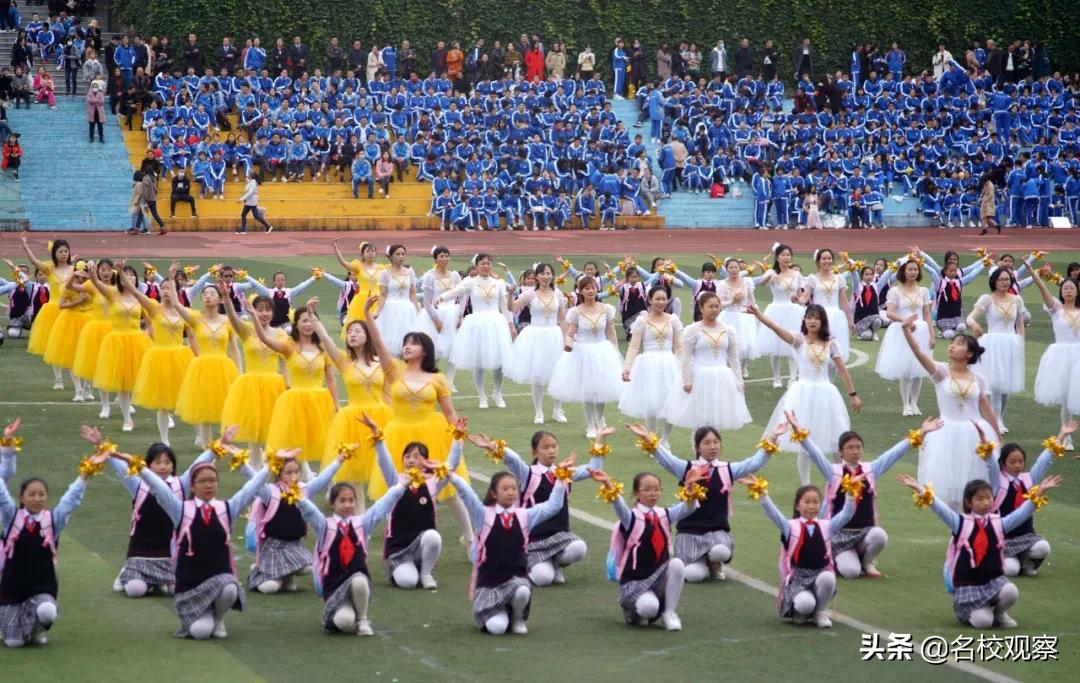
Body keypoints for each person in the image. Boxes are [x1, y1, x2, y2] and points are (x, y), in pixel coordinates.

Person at [117, 446, 279, 639]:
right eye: (202, 481)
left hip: (218, 580)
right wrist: (129, 461)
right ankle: (199, 614)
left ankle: (219, 618)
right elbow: (157, 487)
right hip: (190, 587)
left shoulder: (226, 508)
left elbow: (250, 489)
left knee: (229, 588)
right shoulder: (180, 510)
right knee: (200, 632)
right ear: (192, 486)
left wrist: (271, 466)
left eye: (212, 481)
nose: (208, 485)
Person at [897, 472, 1058, 629]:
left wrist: (1040, 492)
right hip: (969, 585)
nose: (986, 502)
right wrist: (920, 489)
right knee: (983, 623)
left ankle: (999, 614)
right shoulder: (960, 522)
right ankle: (969, 611)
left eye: (988, 497)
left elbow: (1020, 514)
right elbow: (941, 510)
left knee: (1011, 591)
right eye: (979, 499)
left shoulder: (998, 523)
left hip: (992, 581)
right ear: (968, 502)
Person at [632, 422, 785, 583]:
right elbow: (665, 459)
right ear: (698, 447)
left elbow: (754, 463)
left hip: (717, 532)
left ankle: (714, 562)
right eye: (706, 443)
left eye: (715, 442)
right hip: (689, 532)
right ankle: (702, 564)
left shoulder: (727, 469)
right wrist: (646, 437)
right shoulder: (686, 468)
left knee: (720, 552)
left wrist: (773, 437)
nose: (712, 447)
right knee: (693, 576)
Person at [796, 416, 942, 578]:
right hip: (839, 535)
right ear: (841, 452)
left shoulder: (870, 470)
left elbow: (892, 454)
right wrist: (801, 436)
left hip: (865, 532)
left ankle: (867, 560)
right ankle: (837, 557)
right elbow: (816, 455)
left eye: (858, 447)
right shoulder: (833, 472)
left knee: (880, 536)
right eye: (850, 448)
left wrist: (921, 432)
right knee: (851, 572)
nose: (855, 451)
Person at [81, 428, 217, 598]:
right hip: (140, 553)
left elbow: (198, 465)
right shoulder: (138, 484)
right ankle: (127, 574)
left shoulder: (180, 485)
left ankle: (159, 583)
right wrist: (100, 444)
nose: (163, 467)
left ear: (173, 465)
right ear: (148, 464)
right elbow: (120, 465)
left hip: (169, 557)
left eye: (167, 463)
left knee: (178, 590)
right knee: (135, 590)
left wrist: (218, 447)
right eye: (157, 462)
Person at [0, 437, 103, 647]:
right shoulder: (12, 517)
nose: (36, 499)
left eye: (41, 494)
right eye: (31, 494)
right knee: (13, 643)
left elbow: (70, 500)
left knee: (47, 611)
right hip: (11, 590)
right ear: (21, 497)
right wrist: (8, 453)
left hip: (42, 589)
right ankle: (10, 624)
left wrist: (85, 474)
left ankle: (37, 630)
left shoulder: (52, 521)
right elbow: (1, 493)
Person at [467, 429, 602, 587]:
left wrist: (599, 439)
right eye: (545, 447)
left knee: (579, 548)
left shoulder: (565, 472)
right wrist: (493, 446)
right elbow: (513, 460)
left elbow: (594, 468)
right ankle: (528, 565)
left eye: (554, 446)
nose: (551, 451)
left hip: (558, 537)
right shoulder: (528, 474)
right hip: (532, 541)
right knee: (543, 579)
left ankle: (556, 564)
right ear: (534, 452)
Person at [447, 468, 567, 635]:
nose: (511, 493)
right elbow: (467, 495)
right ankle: (498, 612)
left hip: (515, 581)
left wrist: (561, 479)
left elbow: (553, 507)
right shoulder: (483, 514)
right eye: (505, 489)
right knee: (497, 629)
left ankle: (518, 617)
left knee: (523, 590)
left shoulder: (524, 515)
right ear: (494, 493)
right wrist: (449, 474)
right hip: (489, 584)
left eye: (514, 488)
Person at [755, 304, 861, 484]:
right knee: (804, 440)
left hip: (826, 394)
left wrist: (853, 394)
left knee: (837, 439)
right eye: (809, 317)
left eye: (816, 318)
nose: (813, 321)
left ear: (822, 322)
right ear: (804, 320)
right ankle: (806, 484)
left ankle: (843, 481)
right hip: (802, 395)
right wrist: (758, 313)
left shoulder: (831, 344)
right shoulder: (799, 341)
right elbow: (775, 327)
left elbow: (842, 370)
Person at [900, 317, 999, 511]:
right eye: (952, 343)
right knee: (951, 487)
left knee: (973, 485)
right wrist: (905, 330)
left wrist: (998, 437)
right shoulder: (941, 372)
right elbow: (918, 353)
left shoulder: (978, 380)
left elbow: (987, 411)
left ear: (969, 354)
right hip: (946, 433)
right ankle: (956, 533)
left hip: (975, 434)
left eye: (959, 345)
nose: (952, 346)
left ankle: (971, 527)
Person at [595, 467, 706, 630]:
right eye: (647, 489)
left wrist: (689, 487)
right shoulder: (631, 517)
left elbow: (687, 508)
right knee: (649, 608)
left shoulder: (663, 514)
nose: (653, 493)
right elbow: (618, 506)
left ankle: (669, 613)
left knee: (677, 564)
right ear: (636, 493)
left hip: (658, 575)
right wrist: (607, 483)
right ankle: (634, 612)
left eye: (656, 489)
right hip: (635, 581)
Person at [746, 474, 856, 627]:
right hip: (798, 577)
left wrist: (851, 495)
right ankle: (801, 611)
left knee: (828, 577)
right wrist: (763, 495)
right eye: (807, 502)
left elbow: (846, 515)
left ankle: (820, 612)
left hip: (820, 574)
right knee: (805, 604)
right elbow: (774, 515)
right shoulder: (790, 526)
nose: (811, 506)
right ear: (798, 505)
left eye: (815, 502)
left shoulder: (827, 526)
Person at [246, 448, 344, 595]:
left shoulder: (302, 490)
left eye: (297, 472)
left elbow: (321, 480)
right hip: (273, 549)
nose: (294, 476)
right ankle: (259, 573)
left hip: (294, 546)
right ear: (279, 475)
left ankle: (287, 576)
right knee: (270, 588)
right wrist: (270, 463)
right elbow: (255, 482)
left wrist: (338, 462)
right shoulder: (270, 493)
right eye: (288, 473)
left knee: (310, 568)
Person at [254, 303, 337, 475]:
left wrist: (335, 402)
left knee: (323, 441)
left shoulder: (323, 347)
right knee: (296, 438)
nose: (308, 325)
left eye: (312, 321)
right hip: (295, 399)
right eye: (304, 321)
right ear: (296, 324)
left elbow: (330, 377)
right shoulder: (289, 345)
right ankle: (300, 474)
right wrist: (254, 317)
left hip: (319, 399)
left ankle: (321, 479)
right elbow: (265, 339)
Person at [987, 424, 1072, 577]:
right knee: (1011, 570)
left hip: (1025, 536)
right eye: (1012, 462)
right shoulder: (997, 481)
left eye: (1020, 461)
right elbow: (990, 464)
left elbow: (1043, 462)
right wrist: (985, 443)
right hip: (1002, 539)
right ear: (1003, 463)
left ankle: (1026, 564)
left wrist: (1061, 435)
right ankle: (999, 559)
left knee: (1043, 547)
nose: (1017, 465)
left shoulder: (1028, 479)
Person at [663, 291, 750, 436]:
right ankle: (698, 456)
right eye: (711, 306)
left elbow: (733, 357)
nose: (714, 310)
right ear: (701, 307)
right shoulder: (692, 330)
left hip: (722, 378)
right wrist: (687, 381)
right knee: (700, 422)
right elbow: (686, 357)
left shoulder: (729, 330)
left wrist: (739, 380)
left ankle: (711, 457)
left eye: (717, 306)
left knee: (716, 421)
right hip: (699, 378)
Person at [547, 275, 623, 438]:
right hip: (584, 352)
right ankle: (590, 425)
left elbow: (611, 330)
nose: (591, 291)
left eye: (593, 287)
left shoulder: (606, 309)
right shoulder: (576, 312)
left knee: (602, 389)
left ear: (597, 289)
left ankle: (600, 418)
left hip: (603, 350)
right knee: (588, 391)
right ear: (581, 291)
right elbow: (570, 333)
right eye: (587, 288)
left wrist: (615, 351)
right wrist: (568, 342)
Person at [437, 254, 514, 410]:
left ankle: (497, 394)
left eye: (488, 263)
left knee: (499, 364)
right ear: (477, 266)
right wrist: (441, 297)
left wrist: (511, 324)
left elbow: (504, 306)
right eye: (483, 264)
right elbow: (456, 291)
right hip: (477, 324)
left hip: (496, 323)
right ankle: (482, 397)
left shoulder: (499, 283)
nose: (486, 266)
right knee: (478, 363)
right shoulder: (470, 282)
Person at [173, 275, 240, 448]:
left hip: (224, 368)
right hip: (202, 367)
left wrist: (239, 373)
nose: (208, 296)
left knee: (227, 408)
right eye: (205, 294)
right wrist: (172, 280)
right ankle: (206, 448)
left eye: (212, 293)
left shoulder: (227, 321)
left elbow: (234, 349)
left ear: (219, 299)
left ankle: (226, 445)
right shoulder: (196, 319)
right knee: (204, 412)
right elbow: (176, 305)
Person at [84, 263, 149, 433]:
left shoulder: (139, 296)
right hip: (117, 341)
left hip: (137, 340)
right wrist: (93, 276)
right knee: (122, 383)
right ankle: (127, 419)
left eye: (132, 275)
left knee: (143, 379)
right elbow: (99, 286)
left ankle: (166, 415)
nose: (129, 278)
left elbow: (151, 317)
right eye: (125, 275)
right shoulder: (113, 294)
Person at [966, 268, 1026, 432]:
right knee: (996, 385)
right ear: (994, 281)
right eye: (1001, 279)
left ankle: (1000, 418)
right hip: (993, 344)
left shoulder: (1017, 300)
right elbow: (970, 317)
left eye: (1007, 279)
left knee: (1006, 385)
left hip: (1011, 343)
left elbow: (1019, 325)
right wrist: (975, 325)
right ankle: (995, 422)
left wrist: (1021, 343)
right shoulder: (987, 299)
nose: (1005, 282)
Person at [506, 262, 566, 424]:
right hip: (536, 335)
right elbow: (512, 307)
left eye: (548, 273)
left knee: (558, 373)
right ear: (537, 276)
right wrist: (510, 294)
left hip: (554, 335)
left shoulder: (558, 294)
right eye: (542, 274)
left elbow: (562, 318)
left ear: (552, 276)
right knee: (537, 376)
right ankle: (538, 412)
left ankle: (558, 409)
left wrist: (567, 337)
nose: (546, 277)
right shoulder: (530, 294)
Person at [875, 258, 933, 415]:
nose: (913, 272)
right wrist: (905, 320)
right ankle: (906, 404)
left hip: (921, 331)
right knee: (907, 370)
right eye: (910, 269)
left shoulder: (923, 291)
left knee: (919, 369)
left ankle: (915, 403)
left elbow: (927, 316)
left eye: (915, 269)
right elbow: (890, 313)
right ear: (903, 272)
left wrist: (931, 335)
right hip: (904, 331)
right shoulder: (895, 291)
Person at [21, 235, 73, 386]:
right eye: (60, 251)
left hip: (71, 310)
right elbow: (34, 262)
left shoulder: (73, 269)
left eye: (66, 251)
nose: (64, 254)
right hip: (54, 310)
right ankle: (58, 379)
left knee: (70, 344)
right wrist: (25, 246)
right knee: (54, 345)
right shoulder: (50, 269)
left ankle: (75, 379)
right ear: (54, 254)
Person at [754, 243, 804, 388]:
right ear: (777, 257)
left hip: (793, 311)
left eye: (788, 255)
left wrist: (799, 301)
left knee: (794, 342)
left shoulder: (797, 274)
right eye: (783, 255)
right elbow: (761, 283)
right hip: (776, 309)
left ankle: (792, 378)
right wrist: (770, 276)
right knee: (774, 344)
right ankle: (776, 377)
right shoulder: (771, 272)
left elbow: (800, 295)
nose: (786, 258)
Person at [373, 244, 420, 357]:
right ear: (391, 256)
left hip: (407, 309)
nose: (401, 256)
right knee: (391, 344)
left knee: (409, 340)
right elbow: (383, 294)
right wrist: (377, 311)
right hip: (390, 309)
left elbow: (412, 293)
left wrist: (418, 310)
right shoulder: (385, 274)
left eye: (403, 254)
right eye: (397, 254)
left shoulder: (409, 272)